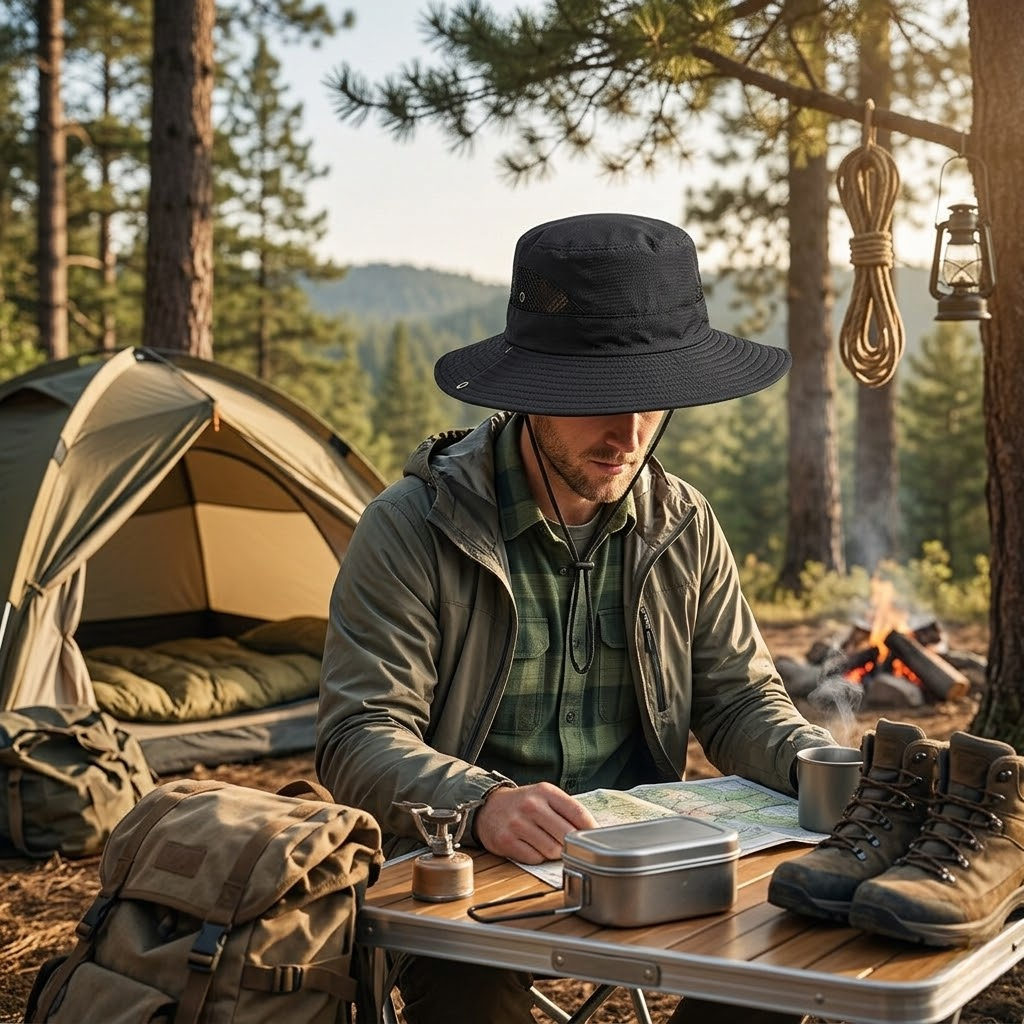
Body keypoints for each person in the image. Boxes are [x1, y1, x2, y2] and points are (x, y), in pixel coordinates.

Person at [316, 211, 836, 1024]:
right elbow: (358, 733)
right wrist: (481, 802)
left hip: (647, 856)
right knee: (470, 990)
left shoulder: (682, 523)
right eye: (598, 400)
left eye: (652, 402)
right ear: (531, 393)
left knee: (786, 955)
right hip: (467, 860)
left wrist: (815, 764)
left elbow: (738, 699)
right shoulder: (414, 525)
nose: (628, 435)